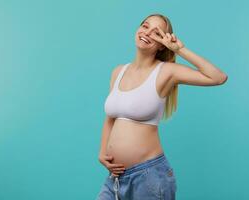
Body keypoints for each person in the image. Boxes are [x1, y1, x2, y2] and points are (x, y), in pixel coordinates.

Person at [96, 13, 228, 200]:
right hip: (116, 177)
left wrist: (179, 49)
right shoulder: (118, 71)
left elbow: (218, 77)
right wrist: (102, 152)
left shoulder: (166, 72)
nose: (147, 33)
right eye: (144, 26)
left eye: (156, 32)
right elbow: (111, 118)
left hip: (149, 177)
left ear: (161, 44)